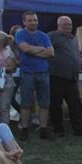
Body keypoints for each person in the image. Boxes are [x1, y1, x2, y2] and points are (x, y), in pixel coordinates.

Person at [14, 11, 55, 140]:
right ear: (24, 22)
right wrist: (42, 49)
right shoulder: (20, 34)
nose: (33, 22)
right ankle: (25, 129)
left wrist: (33, 51)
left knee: (44, 102)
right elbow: (25, 49)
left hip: (43, 72)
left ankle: (43, 128)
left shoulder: (44, 36)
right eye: (30, 20)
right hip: (27, 72)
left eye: (35, 20)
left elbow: (51, 53)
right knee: (26, 102)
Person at [46, 16, 82, 137]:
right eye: (65, 25)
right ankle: (58, 129)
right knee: (56, 104)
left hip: (72, 77)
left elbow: (75, 54)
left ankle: (78, 130)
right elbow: (46, 51)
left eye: (70, 25)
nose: (68, 27)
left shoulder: (74, 39)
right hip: (56, 76)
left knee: (75, 104)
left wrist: (80, 61)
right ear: (58, 25)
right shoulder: (51, 36)